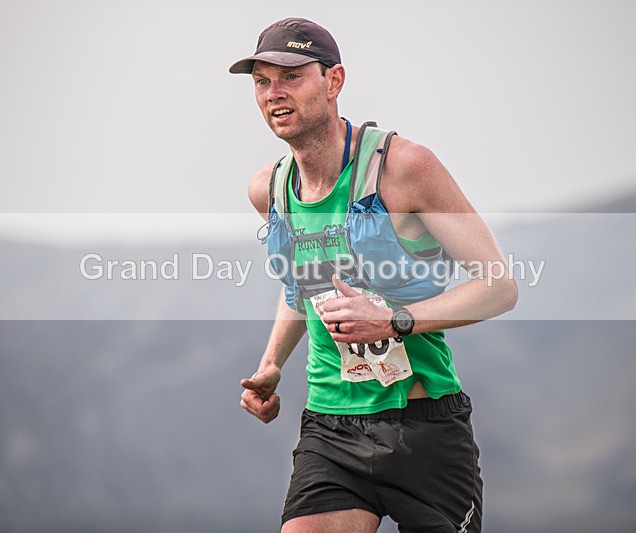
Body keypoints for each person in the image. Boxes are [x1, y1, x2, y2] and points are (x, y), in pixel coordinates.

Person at [230, 17, 517, 533]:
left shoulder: (405, 168)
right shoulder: (268, 190)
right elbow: (303, 285)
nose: (274, 93)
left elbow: (499, 287)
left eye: (291, 77)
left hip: (424, 428)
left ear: (334, 81)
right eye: (261, 80)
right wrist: (272, 362)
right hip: (330, 429)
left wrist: (394, 321)